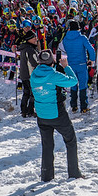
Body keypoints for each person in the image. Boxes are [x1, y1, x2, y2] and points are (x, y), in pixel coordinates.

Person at [30, 50, 83, 181]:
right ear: (52, 62)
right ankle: (74, 173)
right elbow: (73, 81)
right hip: (56, 112)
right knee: (70, 140)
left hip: (41, 114)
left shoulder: (34, 75)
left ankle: (46, 176)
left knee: (47, 145)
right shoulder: (53, 75)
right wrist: (66, 67)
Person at [59, 20, 96, 114]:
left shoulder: (65, 39)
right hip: (82, 64)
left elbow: (62, 51)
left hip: (70, 65)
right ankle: (84, 107)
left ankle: (74, 106)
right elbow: (91, 50)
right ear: (78, 28)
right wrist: (91, 60)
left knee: (73, 85)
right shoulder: (82, 38)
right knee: (83, 85)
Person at [17, 30, 40, 118]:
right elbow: (34, 63)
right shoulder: (30, 50)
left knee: (26, 93)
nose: (36, 39)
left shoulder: (24, 48)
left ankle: (23, 110)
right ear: (29, 39)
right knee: (33, 93)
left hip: (23, 74)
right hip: (30, 75)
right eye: (34, 38)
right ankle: (30, 110)